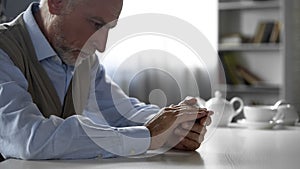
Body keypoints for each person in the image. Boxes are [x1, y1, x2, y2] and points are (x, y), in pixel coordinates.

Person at [0, 0, 212, 160]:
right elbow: (27, 137)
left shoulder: (83, 57)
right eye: (95, 24)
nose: (101, 45)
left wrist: (177, 124)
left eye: (108, 29)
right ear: (56, 2)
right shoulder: (4, 49)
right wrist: (147, 135)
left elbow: (122, 112)